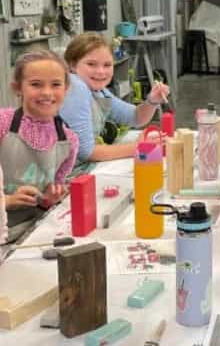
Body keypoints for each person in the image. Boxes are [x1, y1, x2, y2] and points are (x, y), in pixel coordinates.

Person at [0, 50, 79, 239]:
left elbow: (51, 193)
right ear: (17, 88)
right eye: (36, 84)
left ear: (66, 89)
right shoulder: (3, 124)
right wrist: (7, 200)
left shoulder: (68, 141)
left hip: (35, 230)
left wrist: (49, 199)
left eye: (56, 84)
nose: (46, 92)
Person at [60, 32, 170, 162]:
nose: (101, 71)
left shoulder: (99, 91)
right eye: (91, 64)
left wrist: (152, 101)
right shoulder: (76, 86)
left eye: (107, 65)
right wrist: (139, 146)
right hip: (68, 176)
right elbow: (87, 152)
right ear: (72, 65)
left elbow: (135, 117)